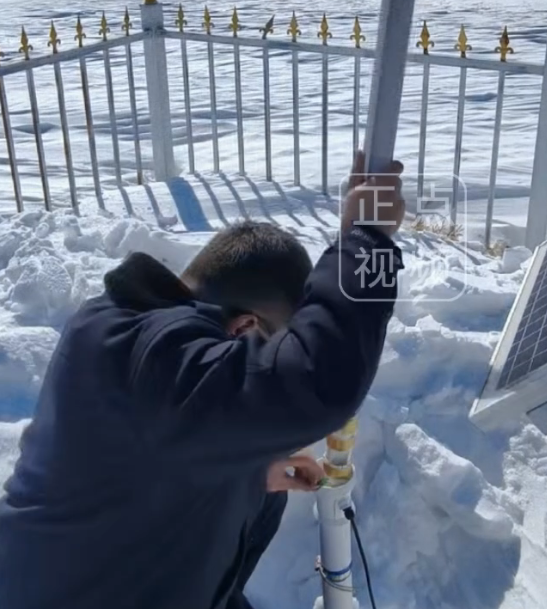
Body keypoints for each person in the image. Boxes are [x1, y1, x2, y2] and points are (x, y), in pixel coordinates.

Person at [0, 151, 405, 609]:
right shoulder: (160, 359)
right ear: (245, 327)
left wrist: (248, 474)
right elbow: (318, 381)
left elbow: (130, 465)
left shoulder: (121, 326)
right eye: (271, 346)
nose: (263, 361)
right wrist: (367, 240)